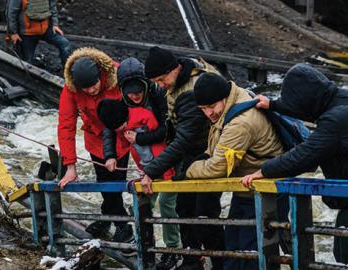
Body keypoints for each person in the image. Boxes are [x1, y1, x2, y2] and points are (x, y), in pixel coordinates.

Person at [241, 63, 348, 268]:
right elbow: (309, 109)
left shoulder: (337, 119)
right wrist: (275, 105)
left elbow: (305, 155)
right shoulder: (342, 98)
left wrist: (263, 170)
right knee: (344, 260)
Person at [185, 73, 284, 270]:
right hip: (247, 189)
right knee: (235, 248)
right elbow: (218, 148)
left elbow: (218, 167)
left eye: (211, 107)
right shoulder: (235, 98)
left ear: (223, 97)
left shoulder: (241, 122)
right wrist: (204, 157)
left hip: (266, 193)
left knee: (251, 254)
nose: (208, 113)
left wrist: (189, 169)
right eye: (203, 109)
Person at [140, 46, 222, 270]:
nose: (160, 84)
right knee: (185, 207)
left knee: (205, 214)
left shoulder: (190, 92)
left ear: (174, 68)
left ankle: (220, 261)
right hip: (195, 155)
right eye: (156, 81)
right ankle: (192, 259)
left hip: (209, 155)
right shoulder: (184, 76)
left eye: (161, 78)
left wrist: (151, 170)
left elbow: (184, 139)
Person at [101, 57, 181, 269]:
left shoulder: (159, 97)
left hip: (169, 163)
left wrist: (140, 139)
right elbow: (109, 129)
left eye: (139, 91)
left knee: (167, 205)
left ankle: (173, 249)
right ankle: (144, 242)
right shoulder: (121, 104)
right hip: (146, 166)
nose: (135, 96)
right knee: (142, 202)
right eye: (130, 92)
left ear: (147, 85)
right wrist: (110, 155)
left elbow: (168, 130)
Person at [57, 47, 133, 243]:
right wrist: (70, 166)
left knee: (116, 181)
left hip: (121, 134)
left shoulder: (117, 76)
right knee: (103, 180)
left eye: (94, 85)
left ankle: (123, 226)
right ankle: (109, 219)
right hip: (95, 137)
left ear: (101, 74)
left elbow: (137, 104)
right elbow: (66, 124)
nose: (91, 91)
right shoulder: (70, 88)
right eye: (86, 89)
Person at [6, 0, 71, 67]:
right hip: (27, 33)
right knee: (27, 64)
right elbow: (12, 13)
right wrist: (13, 33)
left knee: (65, 44)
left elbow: (52, 6)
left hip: (46, 29)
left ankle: (67, 72)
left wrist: (55, 24)